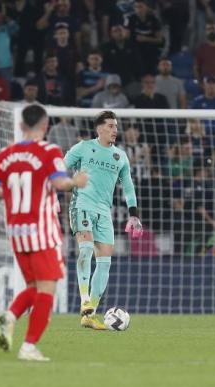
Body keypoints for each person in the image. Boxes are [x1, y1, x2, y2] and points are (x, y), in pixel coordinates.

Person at [0, 104, 88, 361]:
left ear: (20, 126)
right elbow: (60, 183)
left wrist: (10, 194)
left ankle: (10, 315)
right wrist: (76, 182)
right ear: (45, 125)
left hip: (17, 232)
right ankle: (29, 346)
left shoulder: (6, 153)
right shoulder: (49, 150)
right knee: (47, 290)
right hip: (42, 230)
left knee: (34, 286)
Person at [65, 111, 143, 329]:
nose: (115, 130)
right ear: (99, 128)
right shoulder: (83, 147)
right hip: (81, 205)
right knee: (86, 249)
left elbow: (128, 187)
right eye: (110, 126)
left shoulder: (120, 156)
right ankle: (84, 301)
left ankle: (89, 316)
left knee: (105, 263)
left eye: (116, 126)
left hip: (104, 212)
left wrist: (134, 213)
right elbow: (59, 169)